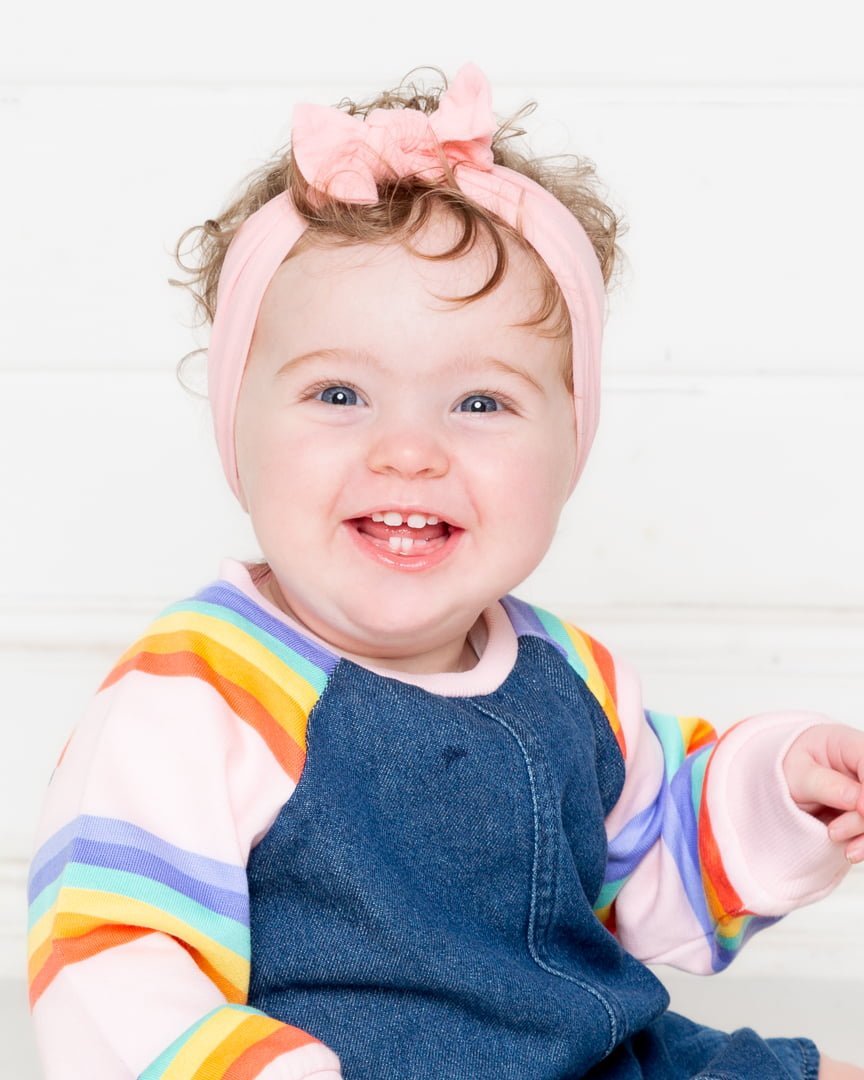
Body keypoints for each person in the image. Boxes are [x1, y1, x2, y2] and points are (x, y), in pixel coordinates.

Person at [25, 63, 864, 1080]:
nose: (409, 450)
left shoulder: (564, 671)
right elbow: (116, 965)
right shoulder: (197, 696)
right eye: (339, 394)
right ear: (236, 436)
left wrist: (782, 793)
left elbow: (649, 867)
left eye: (480, 404)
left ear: (570, 450)